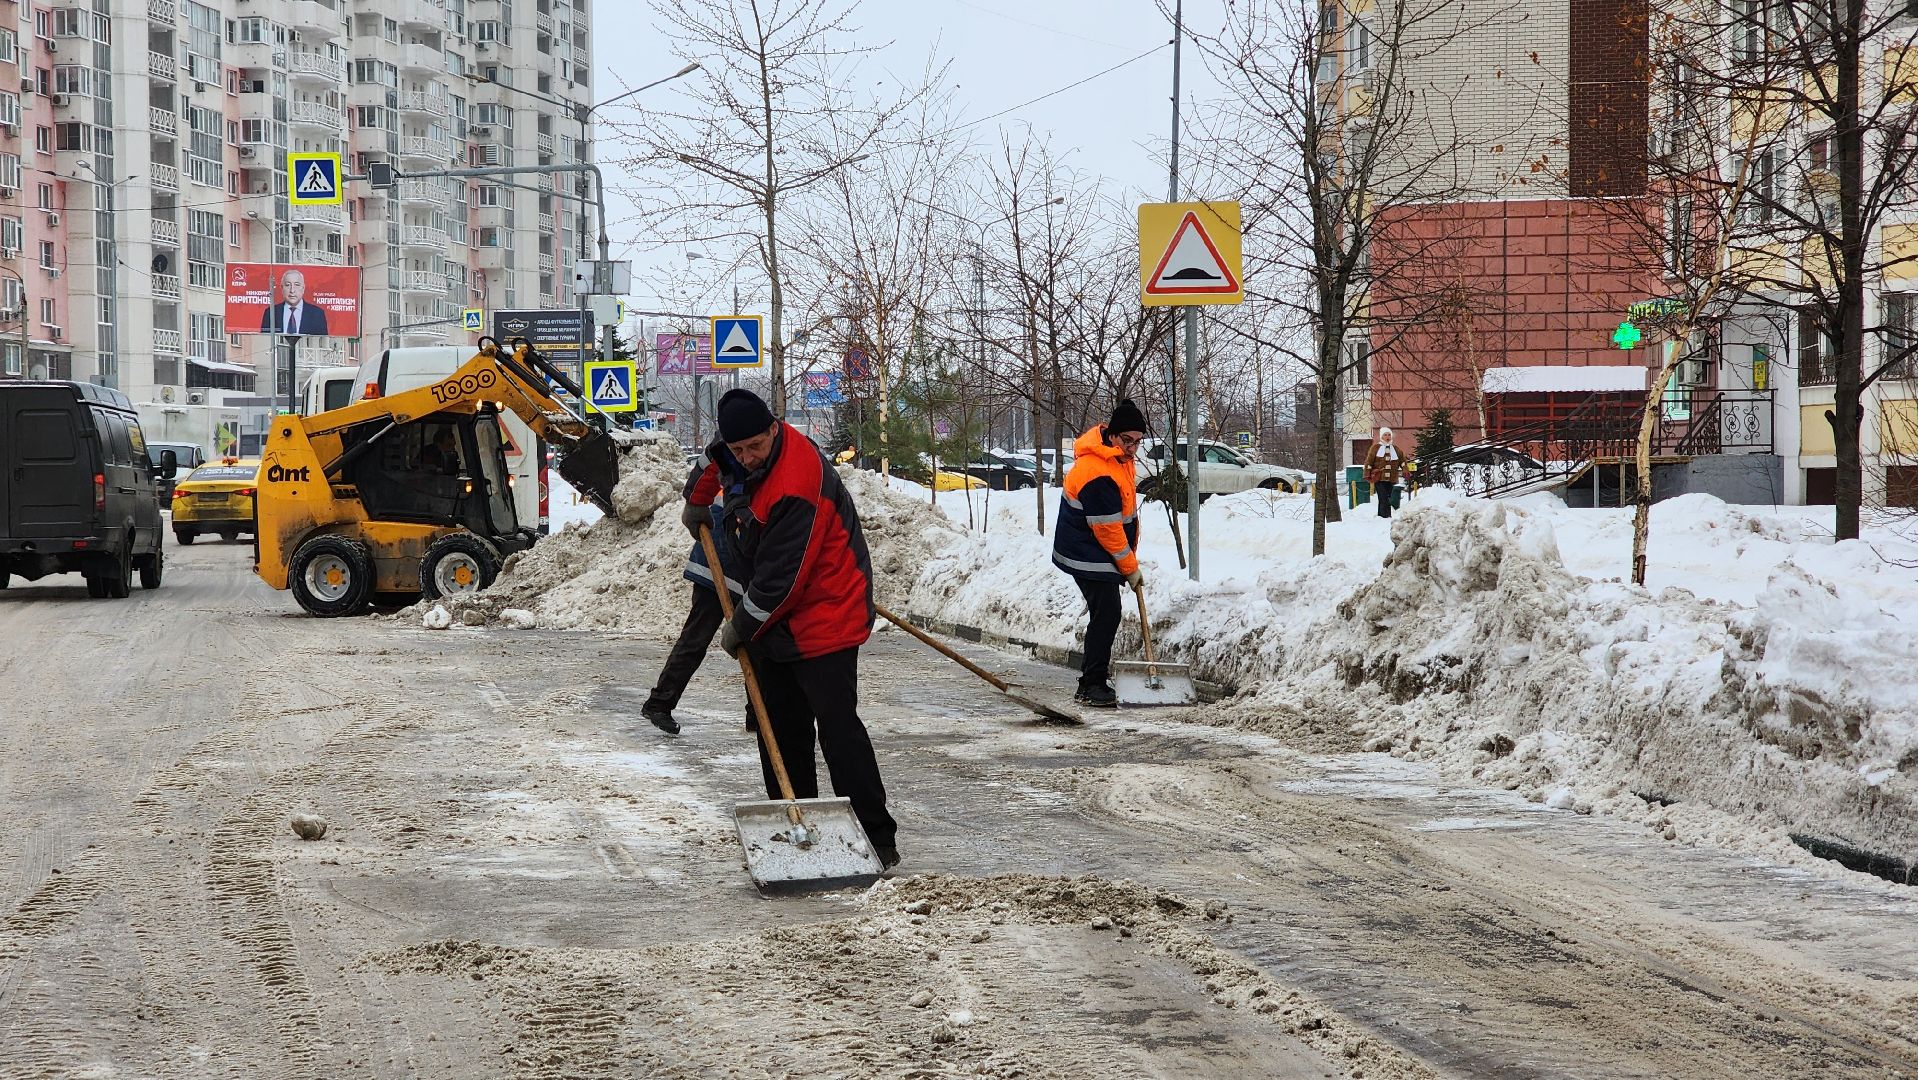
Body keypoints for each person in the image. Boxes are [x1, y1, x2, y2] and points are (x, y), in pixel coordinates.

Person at [688, 388, 899, 868]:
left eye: (754, 447)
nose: (746, 458)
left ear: (774, 430)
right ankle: (798, 819)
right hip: (774, 614)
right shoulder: (736, 453)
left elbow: (784, 580)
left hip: (826, 610)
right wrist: (698, 502)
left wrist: (741, 626)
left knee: (837, 727)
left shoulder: (797, 482)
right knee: (779, 728)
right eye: (738, 450)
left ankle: (875, 838)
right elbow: (711, 464)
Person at [1052, 399, 1147, 709]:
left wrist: (1127, 562)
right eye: (1127, 440)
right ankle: (1091, 683)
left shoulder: (1116, 459)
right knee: (1107, 611)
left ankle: (1091, 680)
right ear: (1113, 435)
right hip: (1085, 549)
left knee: (1106, 611)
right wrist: (1129, 567)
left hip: (1097, 547)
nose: (1133, 448)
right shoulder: (1097, 470)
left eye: (1138, 442)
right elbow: (1107, 529)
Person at [637, 482, 742, 736]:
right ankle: (659, 703)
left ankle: (759, 715)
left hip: (732, 566)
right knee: (698, 639)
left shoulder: (747, 467)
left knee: (756, 643)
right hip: (717, 567)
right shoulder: (751, 471)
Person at [260, 269, 330, 336]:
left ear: (303, 288)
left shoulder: (317, 314)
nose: (292, 290)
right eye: (287, 285)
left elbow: (322, 341)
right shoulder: (270, 312)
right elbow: (265, 340)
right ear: (282, 288)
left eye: (297, 285)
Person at [1364, 426, 1405, 519]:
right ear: (1381, 436)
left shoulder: (1396, 449)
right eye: (1385, 435)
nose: (1387, 437)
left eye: (1389, 435)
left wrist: (1405, 470)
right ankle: (1383, 516)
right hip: (1379, 478)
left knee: (1389, 497)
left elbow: (1402, 461)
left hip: (1392, 478)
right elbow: (1369, 461)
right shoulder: (1375, 448)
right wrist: (1367, 473)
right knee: (1383, 497)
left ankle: (1386, 515)